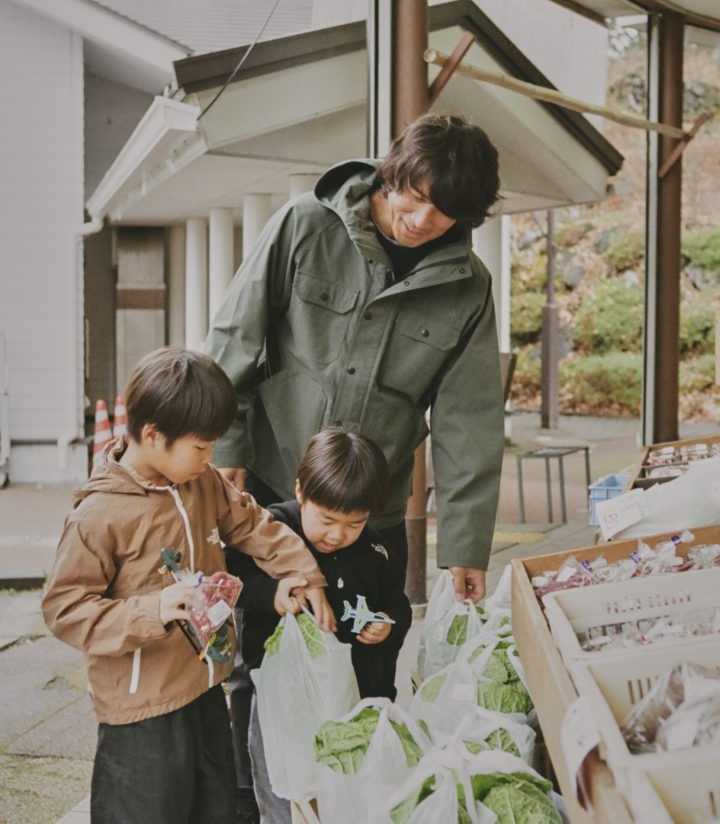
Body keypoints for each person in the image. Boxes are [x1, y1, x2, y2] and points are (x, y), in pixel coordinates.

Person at [206, 113, 505, 820]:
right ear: (391, 170)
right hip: (279, 492)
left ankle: (356, 802)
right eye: (414, 195)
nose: (422, 218)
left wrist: (463, 546)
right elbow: (235, 338)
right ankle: (257, 804)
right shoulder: (304, 226)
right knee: (260, 659)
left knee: (372, 655)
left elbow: (468, 419)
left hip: (373, 509)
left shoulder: (468, 285)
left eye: (445, 211)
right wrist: (226, 455)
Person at [42, 347, 335, 824]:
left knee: (213, 810)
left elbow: (255, 526)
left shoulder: (204, 485)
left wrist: (304, 576)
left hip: (206, 688)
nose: (210, 458)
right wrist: (151, 610)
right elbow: (64, 609)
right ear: (154, 436)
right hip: (141, 713)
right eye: (201, 447)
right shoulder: (99, 515)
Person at [226, 427, 412, 824]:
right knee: (280, 787)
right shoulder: (272, 530)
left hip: (350, 698)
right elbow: (231, 578)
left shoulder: (377, 551)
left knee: (345, 791)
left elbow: (397, 602)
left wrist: (388, 624)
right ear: (300, 491)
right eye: (326, 519)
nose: (337, 534)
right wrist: (272, 594)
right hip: (280, 697)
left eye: (354, 524)